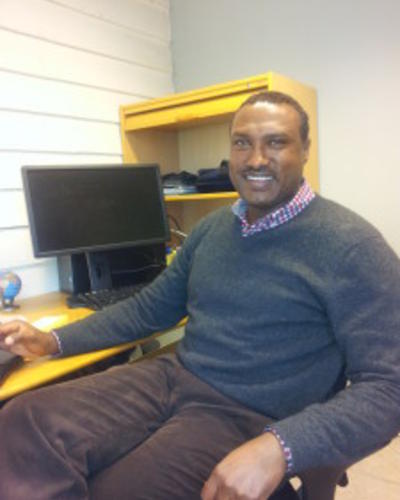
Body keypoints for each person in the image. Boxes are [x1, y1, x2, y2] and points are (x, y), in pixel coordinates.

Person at [0, 90, 399, 500]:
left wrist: (282, 447)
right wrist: (52, 340)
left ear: (306, 150)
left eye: (276, 142)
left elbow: (389, 387)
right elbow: (149, 309)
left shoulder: (354, 247)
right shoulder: (211, 229)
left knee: (114, 488)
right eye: (242, 143)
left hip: (250, 414)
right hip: (172, 377)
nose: (256, 159)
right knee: (23, 423)